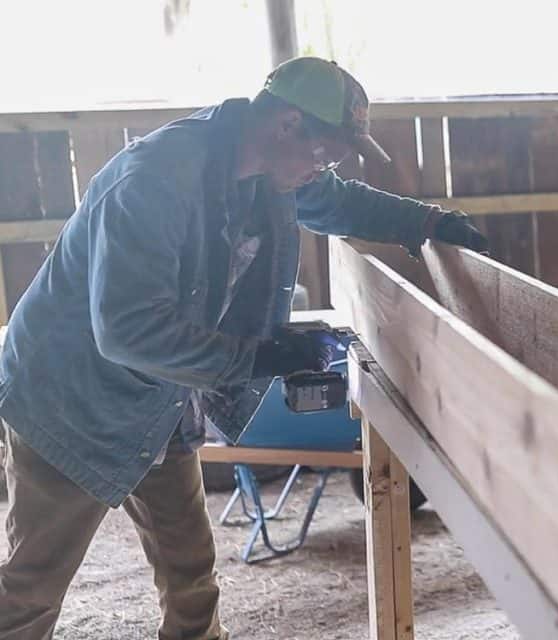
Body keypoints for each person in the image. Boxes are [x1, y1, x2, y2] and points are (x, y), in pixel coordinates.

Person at [0, 56, 486, 640]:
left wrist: (429, 222)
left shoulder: (272, 173)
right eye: (323, 154)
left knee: (192, 579)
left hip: (160, 400)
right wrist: (254, 356)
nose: (321, 170)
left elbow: (340, 202)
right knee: (32, 586)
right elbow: (127, 329)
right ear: (286, 124)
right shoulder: (153, 182)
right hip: (72, 401)